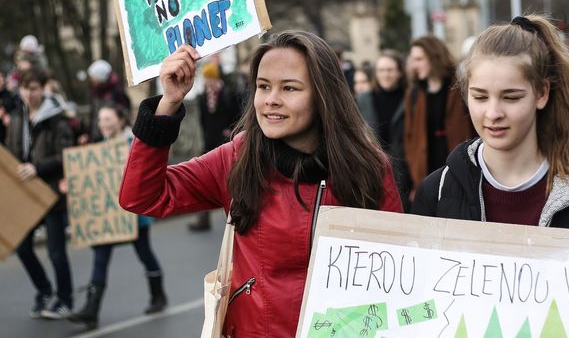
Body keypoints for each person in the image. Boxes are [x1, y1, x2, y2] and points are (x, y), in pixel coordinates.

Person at [119, 31, 403, 337]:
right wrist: (168, 104)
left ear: (323, 96)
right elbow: (143, 197)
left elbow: (396, 275)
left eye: (289, 88)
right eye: (263, 86)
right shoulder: (237, 158)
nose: (270, 100)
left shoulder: (368, 168)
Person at [411, 15, 569, 336]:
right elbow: (413, 309)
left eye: (511, 97)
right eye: (480, 96)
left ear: (542, 93)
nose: (493, 113)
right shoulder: (437, 192)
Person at [69, 105, 167, 329]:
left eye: (108, 118)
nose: (103, 123)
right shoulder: (97, 150)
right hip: (108, 216)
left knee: (144, 253)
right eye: (101, 119)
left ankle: (158, 295)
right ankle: (91, 310)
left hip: (133, 216)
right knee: (100, 257)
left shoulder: (133, 145)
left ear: (120, 121)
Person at [6, 68, 75, 319]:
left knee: (56, 251)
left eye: (34, 88)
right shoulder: (17, 118)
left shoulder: (57, 119)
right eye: (25, 88)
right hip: (26, 194)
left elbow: (65, 154)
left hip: (51, 194)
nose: (28, 93)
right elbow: (13, 153)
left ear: (43, 88)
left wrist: (37, 167)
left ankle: (65, 299)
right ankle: (44, 290)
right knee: (22, 247)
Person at [404, 36, 476, 202]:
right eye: (413, 59)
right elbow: (409, 138)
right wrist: (416, 183)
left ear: (434, 56)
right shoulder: (414, 93)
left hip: (458, 165)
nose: (415, 65)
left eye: (419, 59)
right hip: (426, 170)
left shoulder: (459, 87)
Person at [188, 61, 244, 232]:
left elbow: (238, 114)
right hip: (210, 142)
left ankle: (239, 214)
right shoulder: (204, 97)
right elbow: (204, 120)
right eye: (206, 78)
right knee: (203, 180)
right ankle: (203, 218)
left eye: (210, 78)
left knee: (232, 179)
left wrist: (230, 131)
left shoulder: (227, 94)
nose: (208, 82)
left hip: (226, 141)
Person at [357, 50, 412, 210]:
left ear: (400, 72)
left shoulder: (410, 97)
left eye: (390, 70)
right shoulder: (364, 99)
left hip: (404, 169)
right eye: (381, 70)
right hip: (372, 168)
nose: (385, 75)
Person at [84, 59, 130, 143]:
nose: (92, 79)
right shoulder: (95, 92)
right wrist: (89, 134)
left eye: (93, 76)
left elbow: (124, 112)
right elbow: (93, 116)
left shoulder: (116, 92)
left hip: (115, 137)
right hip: (98, 137)